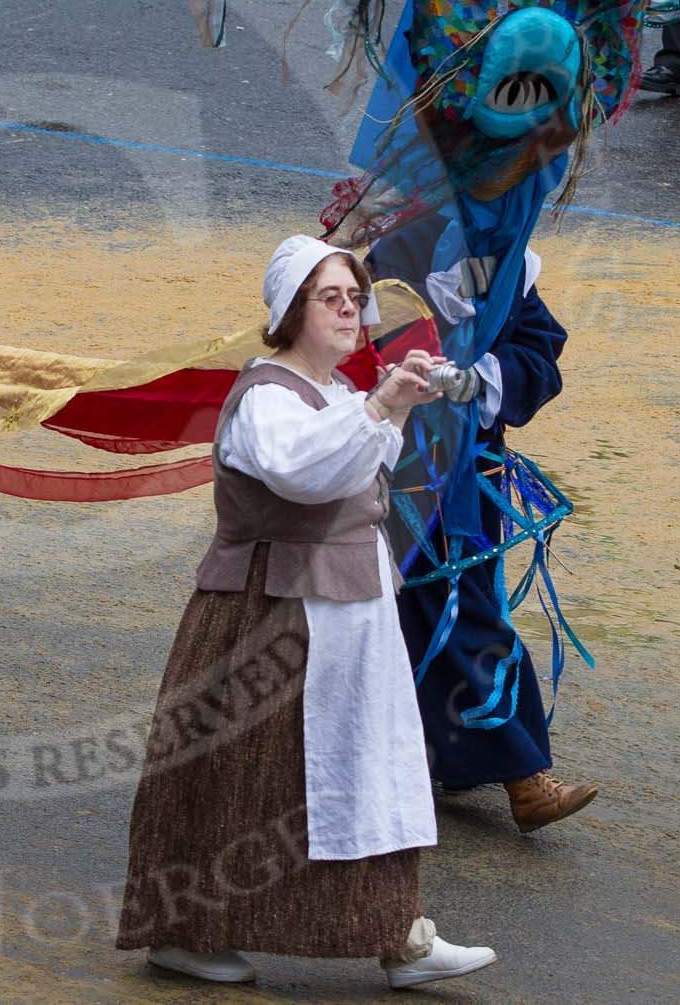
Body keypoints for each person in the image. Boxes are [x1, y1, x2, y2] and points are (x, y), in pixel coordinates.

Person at [116, 236, 497, 990]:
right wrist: (382, 405)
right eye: (331, 298)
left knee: (367, 767)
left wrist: (388, 404)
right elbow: (302, 472)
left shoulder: (337, 393)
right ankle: (188, 933)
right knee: (247, 783)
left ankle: (402, 934)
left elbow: (349, 463)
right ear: (292, 310)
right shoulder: (266, 395)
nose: (350, 310)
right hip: (273, 614)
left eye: (356, 298)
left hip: (347, 614)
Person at [368, 217, 598, 834]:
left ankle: (445, 756)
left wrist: (483, 377)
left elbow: (540, 351)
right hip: (405, 475)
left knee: (452, 608)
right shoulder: (398, 253)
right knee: (453, 612)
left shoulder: (508, 261)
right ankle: (525, 777)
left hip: (475, 477)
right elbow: (361, 350)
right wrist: (420, 378)